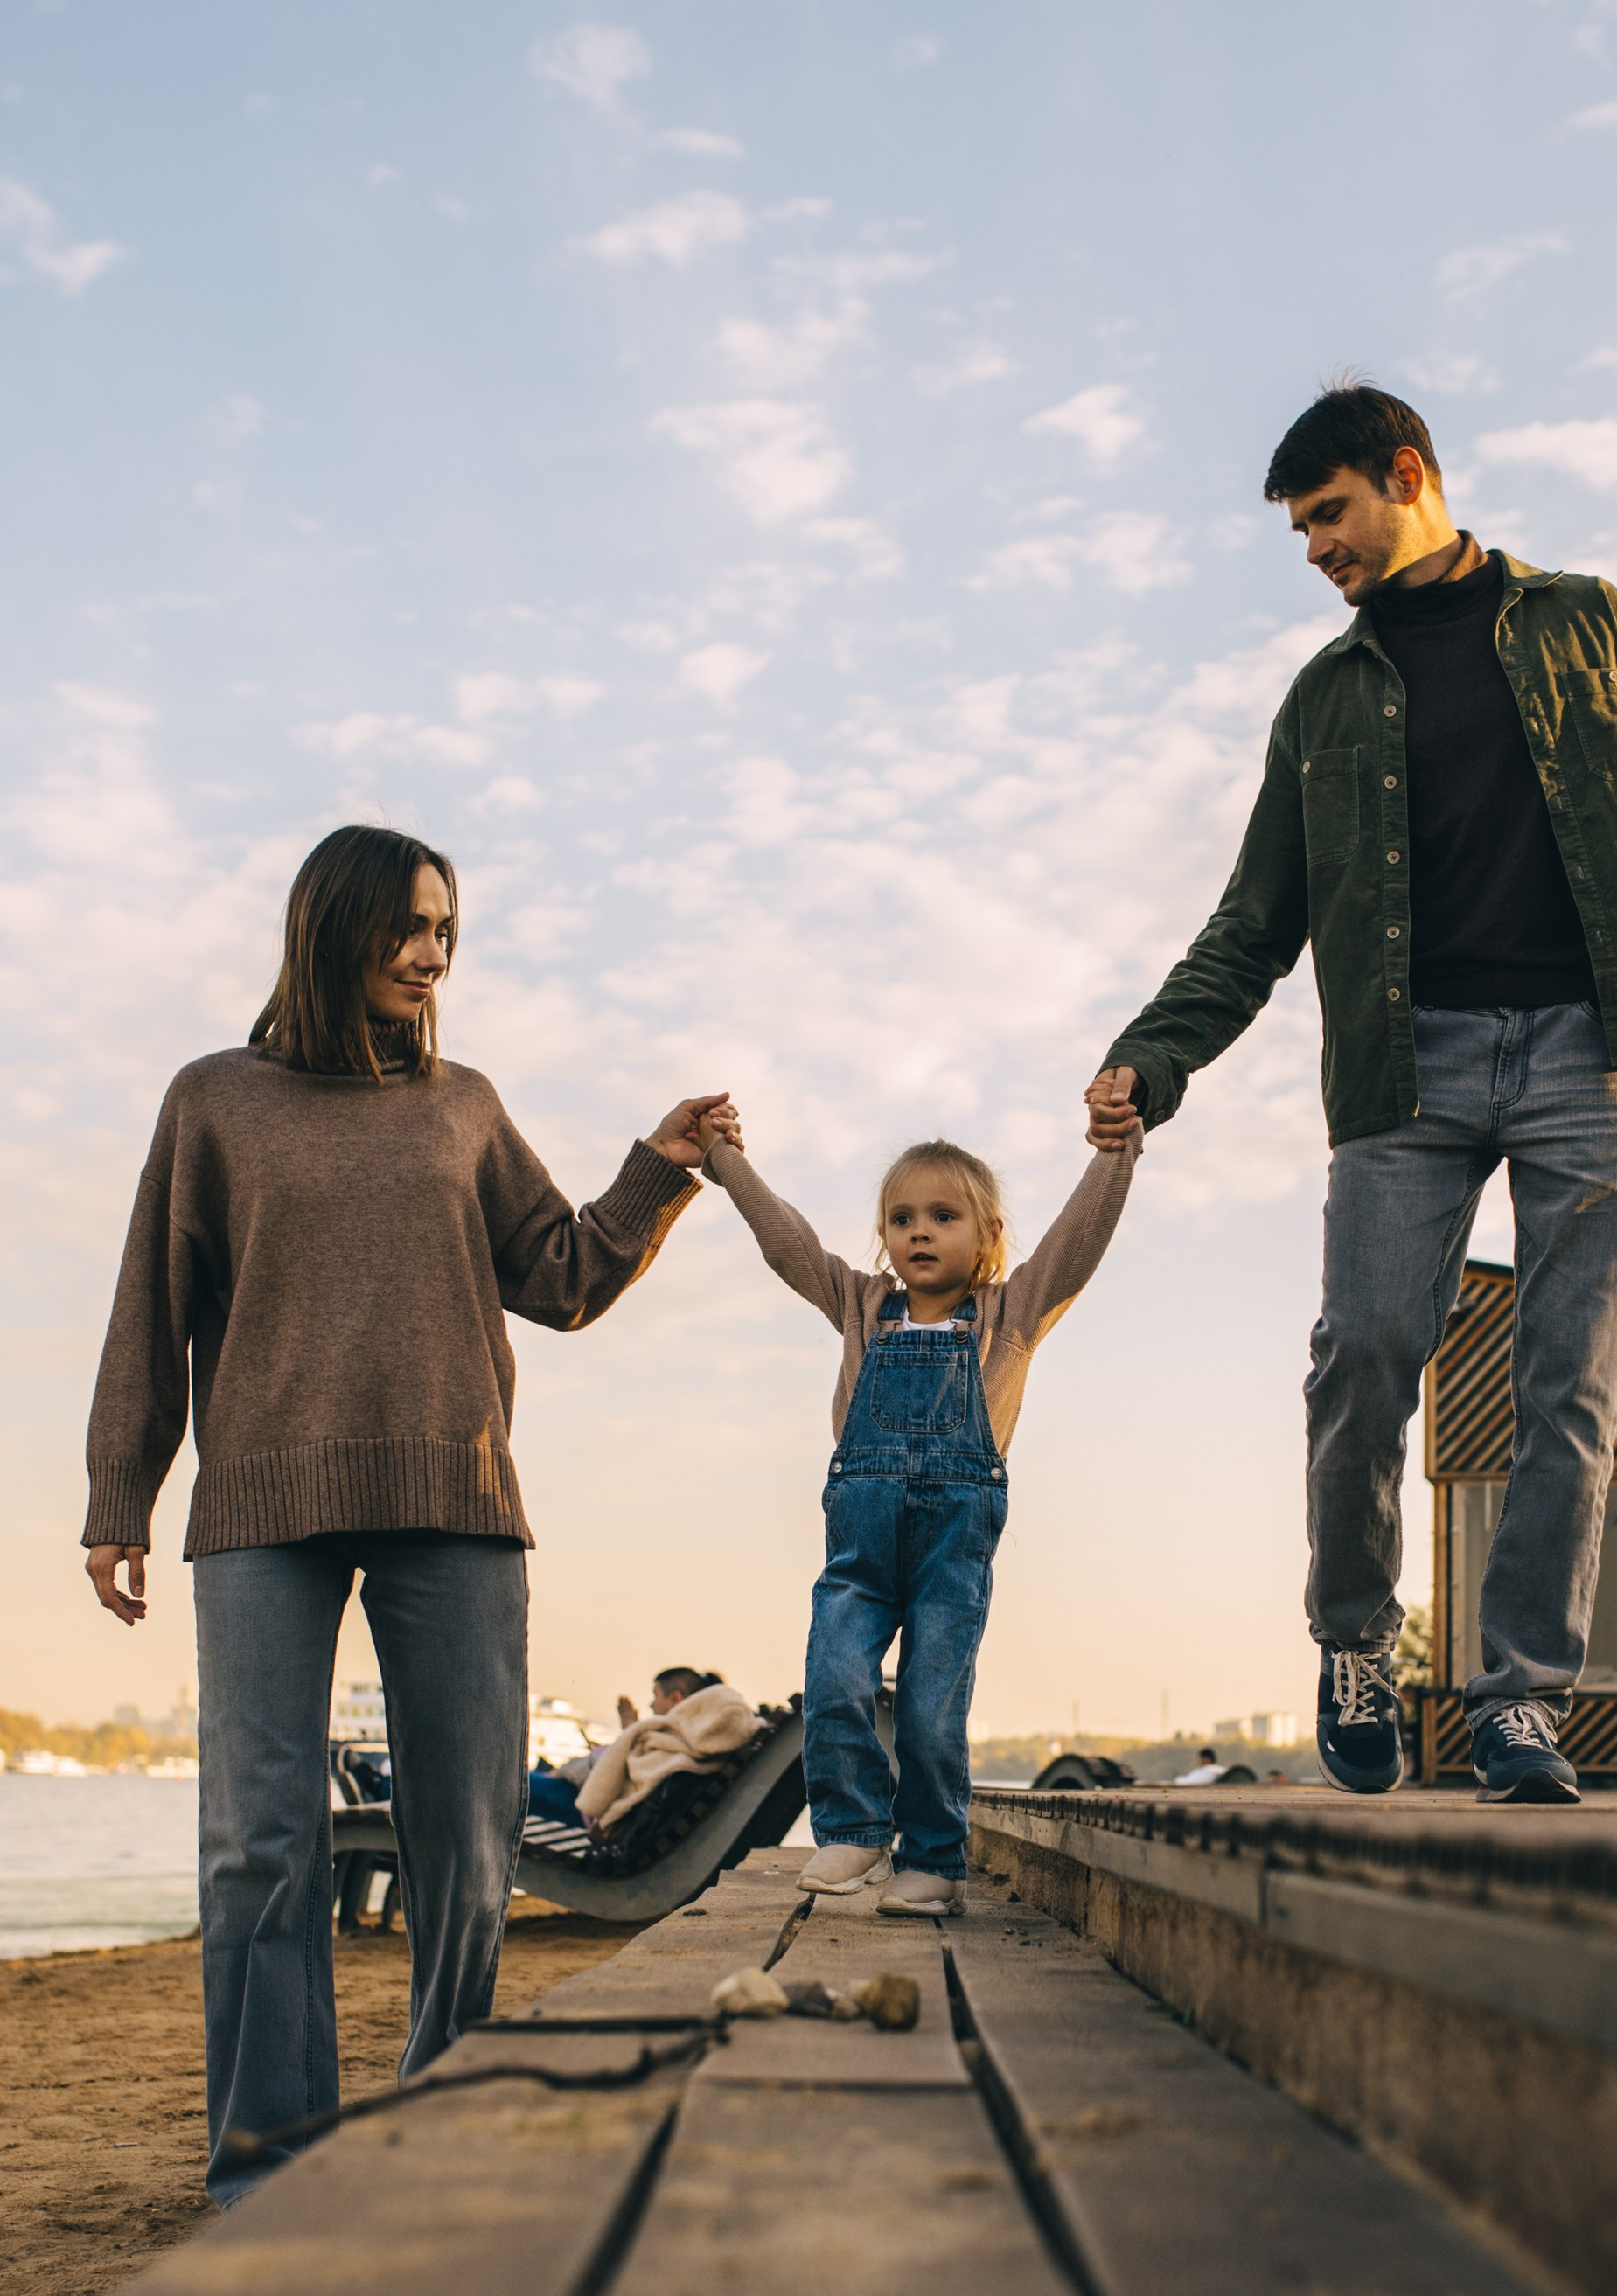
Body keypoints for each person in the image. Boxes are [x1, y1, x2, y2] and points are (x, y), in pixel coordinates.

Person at [1085, 381, 1617, 1808]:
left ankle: (1517, 1703)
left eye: (1328, 515)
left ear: (1406, 475)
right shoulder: (1325, 699)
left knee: (1569, 1387)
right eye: (1301, 530)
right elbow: (1254, 920)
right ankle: (1354, 1647)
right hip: (1407, 1069)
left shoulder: (1590, 622)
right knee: (1365, 1356)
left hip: (1595, 1050)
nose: (1316, 550)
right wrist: (1154, 1053)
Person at [81, 824, 738, 2197]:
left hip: (455, 1495)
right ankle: (268, 2163)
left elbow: (560, 1274)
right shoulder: (213, 1101)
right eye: (413, 925)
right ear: (339, 927)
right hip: (262, 1503)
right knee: (260, 1837)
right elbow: (151, 1301)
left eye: (449, 929)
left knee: (468, 1837)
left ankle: (437, 2114)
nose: (436, 952)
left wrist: (657, 1166)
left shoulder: (465, 1105)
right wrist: (118, 1494)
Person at [702, 1124, 1139, 1914]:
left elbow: (1079, 1241)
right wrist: (727, 1162)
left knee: (932, 1711)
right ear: (884, 1239)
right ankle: (855, 1831)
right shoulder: (861, 1305)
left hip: (953, 1548)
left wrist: (1118, 1153)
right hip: (860, 1544)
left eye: (943, 1216)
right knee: (833, 1680)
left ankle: (933, 1859)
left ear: (989, 1236)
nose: (920, 1232)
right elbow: (786, 1242)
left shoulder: (1010, 1315)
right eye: (902, 1219)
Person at [526, 1665, 714, 1821]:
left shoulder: (672, 1740)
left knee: (516, 1784)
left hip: (586, 1806)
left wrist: (630, 1733)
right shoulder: (683, 1740)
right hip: (590, 1800)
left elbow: (615, 1772)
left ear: (675, 1697)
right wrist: (630, 1733)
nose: (651, 1704)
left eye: (656, 1695)